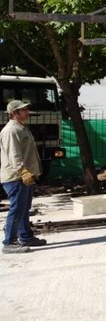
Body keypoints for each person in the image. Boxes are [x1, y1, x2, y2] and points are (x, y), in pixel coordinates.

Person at [1, 100, 45, 253]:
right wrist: (23, 172)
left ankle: (26, 237)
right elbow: (14, 155)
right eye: (23, 110)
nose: (27, 112)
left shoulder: (22, 128)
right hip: (16, 177)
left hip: (24, 176)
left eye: (26, 109)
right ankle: (9, 242)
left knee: (24, 208)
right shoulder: (11, 131)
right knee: (17, 209)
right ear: (14, 114)